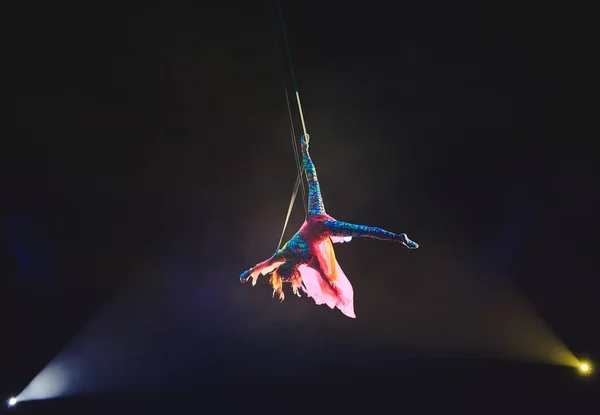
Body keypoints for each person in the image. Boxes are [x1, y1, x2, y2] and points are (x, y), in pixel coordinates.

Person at [240, 133, 418, 318]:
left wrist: (336, 293)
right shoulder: (286, 255)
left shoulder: (298, 258)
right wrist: (248, 272)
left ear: (291, 270)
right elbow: (266, 265)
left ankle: (399, 238)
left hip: (322, 225)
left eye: (290, 277)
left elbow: (319, 275)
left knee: (360, 229)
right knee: (317, 186)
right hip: (316, 219)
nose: (294, 279)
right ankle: (305, 151)